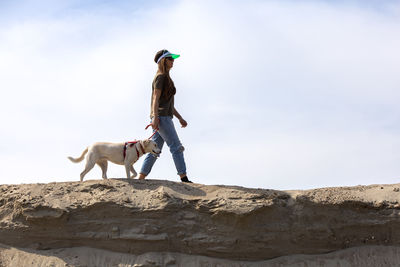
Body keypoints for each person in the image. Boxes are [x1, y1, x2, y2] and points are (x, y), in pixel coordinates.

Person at [138, 49, 193, 183]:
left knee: (154, 150)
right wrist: (155, 117)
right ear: (163, 61)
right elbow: (156, 99)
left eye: (173, 59)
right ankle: (184, 178)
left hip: (163, 116)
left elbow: (168, 104)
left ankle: (140, 179)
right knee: (176, 146)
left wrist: (180, 117)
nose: (172, 61)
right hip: (161, 117)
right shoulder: (161, 77)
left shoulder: (166, 78)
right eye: (170, 59)